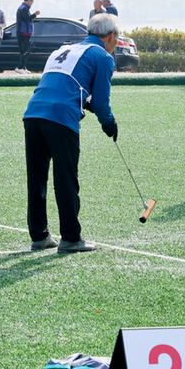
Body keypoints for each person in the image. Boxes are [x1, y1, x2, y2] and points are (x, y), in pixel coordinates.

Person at [22, 13, 120, 254]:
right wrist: (109, 123)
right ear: (110, 36)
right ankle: (71, 238)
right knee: (66, 178)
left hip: (33, 113)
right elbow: (101, 101)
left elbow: (62, 84)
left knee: (37, 179)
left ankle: (40, 236)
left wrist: (86, 104)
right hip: (61, 118)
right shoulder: (103, 57)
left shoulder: (62, 50)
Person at [15, 0, 40, 73]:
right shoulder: (23, 8)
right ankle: (19, 67)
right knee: (25, 51)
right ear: (28, 0)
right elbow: (27, 19)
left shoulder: (24, 8)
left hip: (24, 33)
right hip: (23, 33)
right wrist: (35, 14)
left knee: (26, 51)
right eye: (31, 2)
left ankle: (23, 67)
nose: (32, 4)